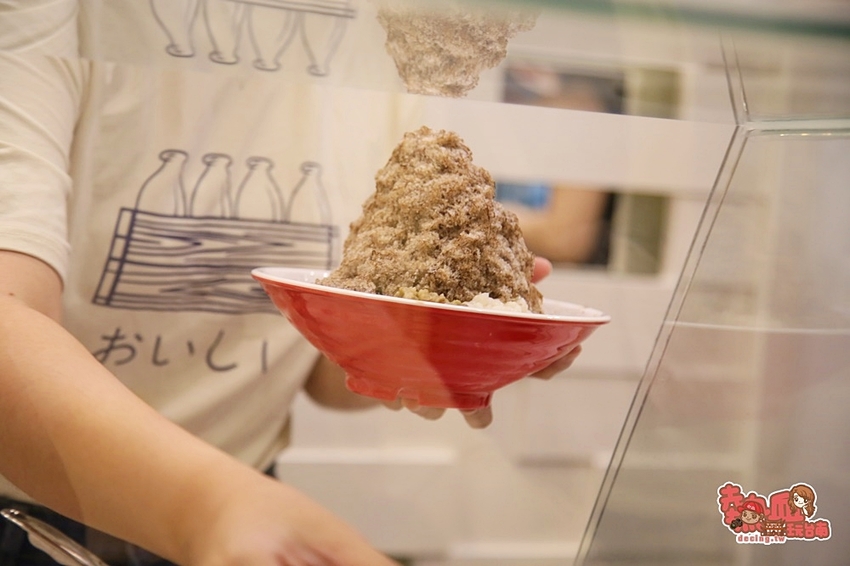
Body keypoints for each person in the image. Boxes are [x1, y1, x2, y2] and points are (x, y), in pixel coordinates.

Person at [0, 1, 582, 564]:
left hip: (244, 498)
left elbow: (327, 378)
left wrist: (436, 344)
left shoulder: (393, 38)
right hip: (44, 509)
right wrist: (206, 507)